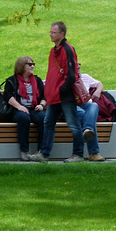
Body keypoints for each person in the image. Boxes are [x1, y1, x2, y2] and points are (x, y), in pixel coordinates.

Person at [29, 21, 86, 163]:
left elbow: (71, 75)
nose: (50, 34)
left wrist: (62, 89)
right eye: (50, 32)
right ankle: (44, 154)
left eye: (53, 32)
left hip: (64, 95)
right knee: (48, 123)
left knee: (73, 124)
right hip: (54, 96)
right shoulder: (54, 50)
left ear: (62, 34)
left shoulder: (67, 49)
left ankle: (78, 154)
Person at [3, 56, 47, 161]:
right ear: (21, 66)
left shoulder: (37, 80)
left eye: (33, 64)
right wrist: (19, 107)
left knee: (43, 118)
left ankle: (41, 151)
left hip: (34, 108)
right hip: (17, 110)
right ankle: (24, 151)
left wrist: (41, 105)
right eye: (29, 64)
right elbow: (8, 96)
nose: (32, 66)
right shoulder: (12, 80)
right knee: (24, 118)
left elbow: (45, 96)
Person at [76, 65, 106, 162]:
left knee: (94, 106)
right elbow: (45, 83)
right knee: (90, 118)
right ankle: (93, 153)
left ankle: (87, 129)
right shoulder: (63, 78)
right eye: (75, 63)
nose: (78, 65)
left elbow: (99, 84)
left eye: (79, 63)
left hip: (86, 106)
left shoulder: (85, 77)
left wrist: (97, 91)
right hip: (71, 107)